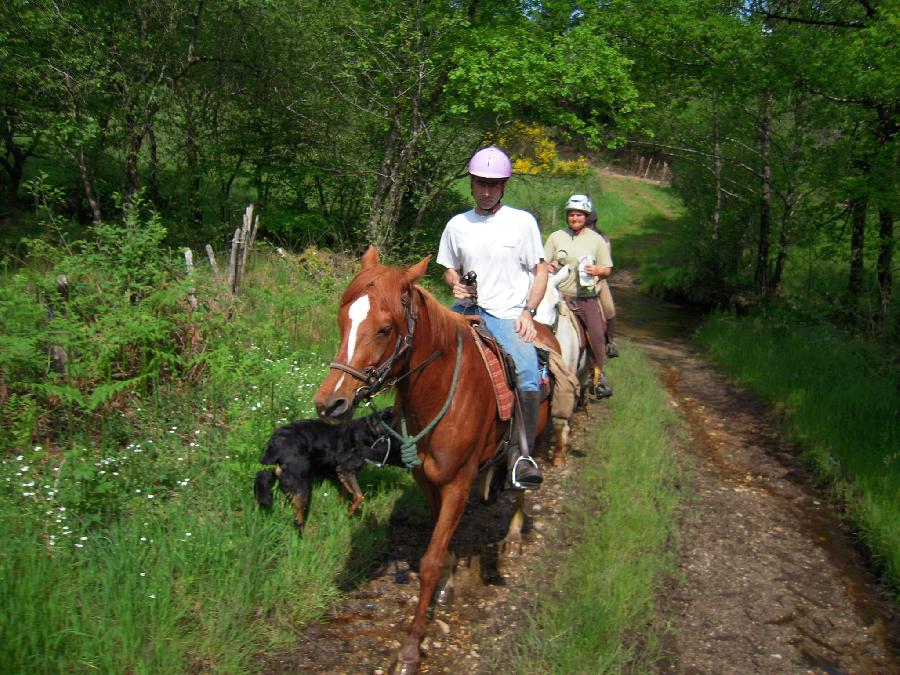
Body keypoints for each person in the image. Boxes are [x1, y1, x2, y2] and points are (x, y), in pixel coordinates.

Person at [437, 146, 548, 490]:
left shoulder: (522, 223)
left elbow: (540, 269)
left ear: (503, 186)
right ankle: (399, 437)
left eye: (493, 184)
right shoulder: (457, 224)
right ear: (471, 183)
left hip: (505, 314)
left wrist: (528, 312)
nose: (486, 191)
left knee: (528, 370)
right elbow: (449, 269)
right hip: (467, 311)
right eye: (480, 183)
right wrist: (455, 283)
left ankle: (522, 455)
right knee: (419, 349)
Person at [544, 194, 614, 398]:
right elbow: (542, 263)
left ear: (586, 216)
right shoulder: (556, 237)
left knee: (597, 332)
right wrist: (549, 266)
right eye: (572, 215)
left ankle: (596, 375)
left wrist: (597, 271)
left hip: (584, 296)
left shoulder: (597, 240)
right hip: (558, 294)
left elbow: (608, 268)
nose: (575, 218)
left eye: (579, 215)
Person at [586, 206, 620, 359]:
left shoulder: (603, 240)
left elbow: (605, 264)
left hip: (597, 280)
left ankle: (610, 342)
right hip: (572, 281)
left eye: (589, 224)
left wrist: (597, 275)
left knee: (609, 309)